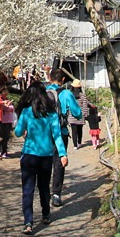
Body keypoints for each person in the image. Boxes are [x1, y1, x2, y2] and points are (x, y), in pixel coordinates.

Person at [14, 81, 68, 235]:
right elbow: (57, 136)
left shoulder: (25, 112)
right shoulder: (51, 114)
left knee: (28, 189)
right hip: (46, 156)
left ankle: (28, 222)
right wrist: (63, 154)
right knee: (44, 187)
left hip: (29, 156)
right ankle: (45, 214)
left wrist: (24, 130)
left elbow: (18, 132)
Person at [46, 69, 82, 207]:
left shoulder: (42, 93)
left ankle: (44, 191)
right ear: (62, 81)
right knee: (59, 162)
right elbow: (77, 113)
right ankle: (56, 193)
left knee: (45, 162)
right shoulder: (66, 93)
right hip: (60, 132)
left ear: (49, 79)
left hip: (43, 133)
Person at [68, 79, 88, 150]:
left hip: (72, 115)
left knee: (74, 131)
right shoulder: (82, 96)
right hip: (80, 115)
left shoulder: (70, 95)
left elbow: (68, 106)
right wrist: (85, 115)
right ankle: (79, 142)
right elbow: (85, 106)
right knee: (80, 130)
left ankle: (75, 145)